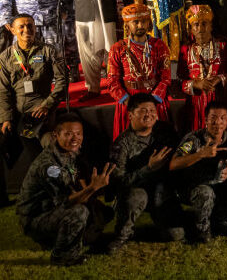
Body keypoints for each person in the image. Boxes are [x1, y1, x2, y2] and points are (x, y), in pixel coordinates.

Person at [16, 113, 113, 266]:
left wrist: (89, 193)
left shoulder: (70, 150)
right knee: (79, 211)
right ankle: (63, 256)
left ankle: (60, 240)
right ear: (56, 135)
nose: (75, 138)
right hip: (36, 218)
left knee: (102, 211)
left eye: (78, 133)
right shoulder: (49, 167)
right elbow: (65, 202)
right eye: (68, 134)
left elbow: (75, 176)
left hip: (52, 208)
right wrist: (92, 188)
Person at [0, 14, 68, 203]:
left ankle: (55, 192)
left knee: (46, 147)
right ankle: (2, 198)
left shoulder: (48, 51)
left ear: (36, 28)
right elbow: (3, 92)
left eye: (30, 26)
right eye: (21, 27)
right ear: (12, 30)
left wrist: (47, 105)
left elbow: (62, 82)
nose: (26, 30)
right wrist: (5, 118)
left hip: (42, 113)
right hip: (16, 115)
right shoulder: (5, 57)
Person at [108, 93, 184, 253]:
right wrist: (148, 169)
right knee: (137, 196)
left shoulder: (165, 131)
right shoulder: (122, 144)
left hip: (161, 190)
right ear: (130, 115)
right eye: (143, 111)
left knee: (175, 235)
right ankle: (121, 236)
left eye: (152, 110)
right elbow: (118, 182)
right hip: (135, 191)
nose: (149, 114)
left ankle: (165, 217)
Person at [169, 100, 227, 242]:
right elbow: (173, 164)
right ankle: (201, 229)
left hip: (221, 190)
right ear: (206, 120)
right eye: (213, 118)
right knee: (205, 192)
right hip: (195, 188)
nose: (217, 123)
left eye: (222, 118)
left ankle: (213, 219)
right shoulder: (193, 139)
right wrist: (200, 154)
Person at [106, 4, 172, 139]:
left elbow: (165, 77)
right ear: (127, 25)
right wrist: (126, 100)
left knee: (159, 140)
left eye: (144, 21)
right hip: (129, 99)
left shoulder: (159, 45)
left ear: (149, 23)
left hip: (154, 98)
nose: (140, 25)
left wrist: (153, 101)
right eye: (135, 22)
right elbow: (112, 80)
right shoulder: (118, 48)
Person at [178, 5, 227, 132]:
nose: (200, 29)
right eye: (196, 25)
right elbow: (180, 80)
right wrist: (196, 84)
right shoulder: (185, 50)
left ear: (211, 26)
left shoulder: (223, 45)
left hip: (220, 99)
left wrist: (219, 79)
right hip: (196, 104)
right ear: (191, 29)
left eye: (204, 24)